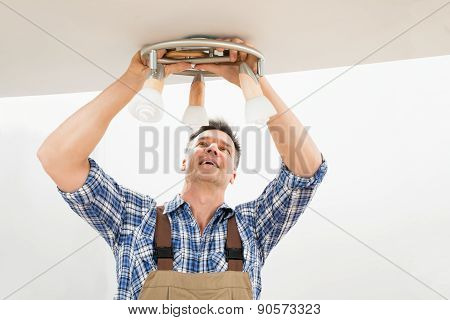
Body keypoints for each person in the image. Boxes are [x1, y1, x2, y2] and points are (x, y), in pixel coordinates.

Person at [37, 38, 328, 300]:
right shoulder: (134, 217)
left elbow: (307, 170)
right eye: (203, 143)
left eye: (225, 149)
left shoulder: (252, 226)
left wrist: (253, 83)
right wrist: (133, 79)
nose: (213, 149)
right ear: (184, 162)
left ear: (233, 175)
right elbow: (56, 157)